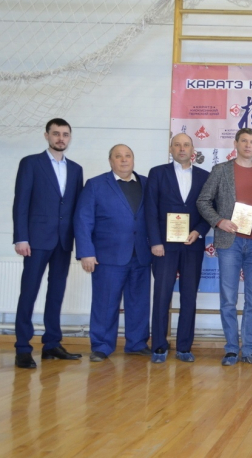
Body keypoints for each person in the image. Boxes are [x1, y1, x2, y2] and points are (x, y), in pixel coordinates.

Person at [12, 118, 84, 368]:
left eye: (65, 134)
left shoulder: (76, 169)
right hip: (36, 240)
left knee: (56, 293)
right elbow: (21, 202)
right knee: (29, 292)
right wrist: (21, 237)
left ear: (69, 137)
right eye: (56, 134)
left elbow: (76, 209)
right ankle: (23, 348)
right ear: (47, 136)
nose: (60, 138)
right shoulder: (31, 163)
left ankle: (52, 344)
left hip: (63, 240)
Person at [197, 128, 252, 366]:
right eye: (244, 141)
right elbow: (203, 201)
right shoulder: (221, 170)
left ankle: (250, 349)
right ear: (236, 144)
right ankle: (231, 349)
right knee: (228, 298)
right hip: (230, 242)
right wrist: (219, 221)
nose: (248, 145)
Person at [74, 145, 151, 362]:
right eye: (118, 156)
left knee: (139, 303)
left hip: (141, 254)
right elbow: (83, 219)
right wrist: (86, 252)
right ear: (111, 161)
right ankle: (102, 345)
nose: (124, 160)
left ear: (133, 159)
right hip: (108, 256)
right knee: (105, 303)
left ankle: (137, 343)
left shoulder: (147, 183)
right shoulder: (96, 185)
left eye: (128, 156)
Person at [145, 133, 210, 364]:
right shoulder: (157, 173)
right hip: (164, 246)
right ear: (171, 149)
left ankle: (184, 346)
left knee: (189, 296)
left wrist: (199, 231)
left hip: (192, 244)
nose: (182, 148)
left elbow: (210, 209)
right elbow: (150, 209)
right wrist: (155, 242)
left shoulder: (204, 176)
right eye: (177, 145)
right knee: (162, 295)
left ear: (192, 149)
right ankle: (159, 346)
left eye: (186, 145)